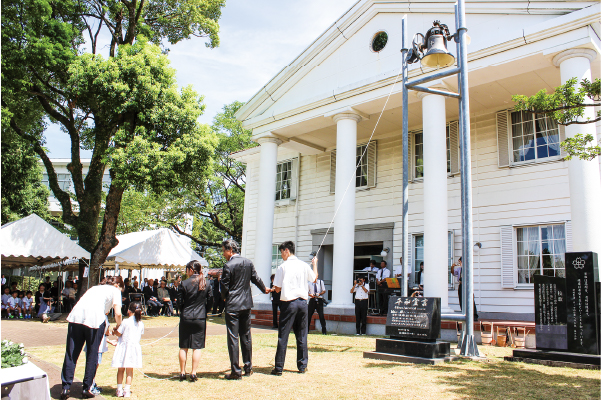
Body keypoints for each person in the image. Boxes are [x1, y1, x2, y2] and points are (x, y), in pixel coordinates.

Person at [60, 275, 123, 400]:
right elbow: (118, 312)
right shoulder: (115, 290)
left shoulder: (95, 288)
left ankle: (66, 387)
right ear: (117, 285)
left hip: (76, 317)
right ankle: (86, 387)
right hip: (94, 320)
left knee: (71, 353)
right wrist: (119, 326)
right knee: (92, 353)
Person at [220, 239, 268, 380]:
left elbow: (224, 287)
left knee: (233, 337)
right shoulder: (248, 262)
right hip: (246, 304)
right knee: (246, 336)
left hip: (233, 305)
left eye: (223, 250)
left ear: (230, 250)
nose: (223, 254)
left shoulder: (228, 265)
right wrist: (264, 289)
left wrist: (224, 297)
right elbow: (256, 278)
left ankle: (236, 371)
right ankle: (248, 368)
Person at [271, 241, 318, 376]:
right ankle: (302, 366)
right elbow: (314, 278)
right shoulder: (304, 265)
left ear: (286, 250)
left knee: (283, 335)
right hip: (303, 303)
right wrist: (315, 264)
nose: (281, 255)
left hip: (289, 303)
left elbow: (278, 288)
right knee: (302, 335)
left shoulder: (282, 267)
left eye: (281, 252)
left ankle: (279, 368)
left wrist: (275, 288)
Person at [178, 260, 212, 382]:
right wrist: (205, 311)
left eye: (186, 270)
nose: (186, 272)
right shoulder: (206, 283)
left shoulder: (184, 283)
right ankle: (193, 373)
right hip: (200, 317)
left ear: (191, 270)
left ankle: (182, 372)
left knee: (184, 346)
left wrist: (182, 311)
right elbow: (210, 301)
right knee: (197, 347)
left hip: (186, 316)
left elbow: (179, 302)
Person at [111, 302, 144, 398]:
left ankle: (119, 389)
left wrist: (114, 330)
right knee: (130, 370)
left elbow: (119, 333)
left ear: (129, 310)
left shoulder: (126, 321)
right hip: (133, 348)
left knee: (120, 369)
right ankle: (127, 390)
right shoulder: (140, 323)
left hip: (124, 347)